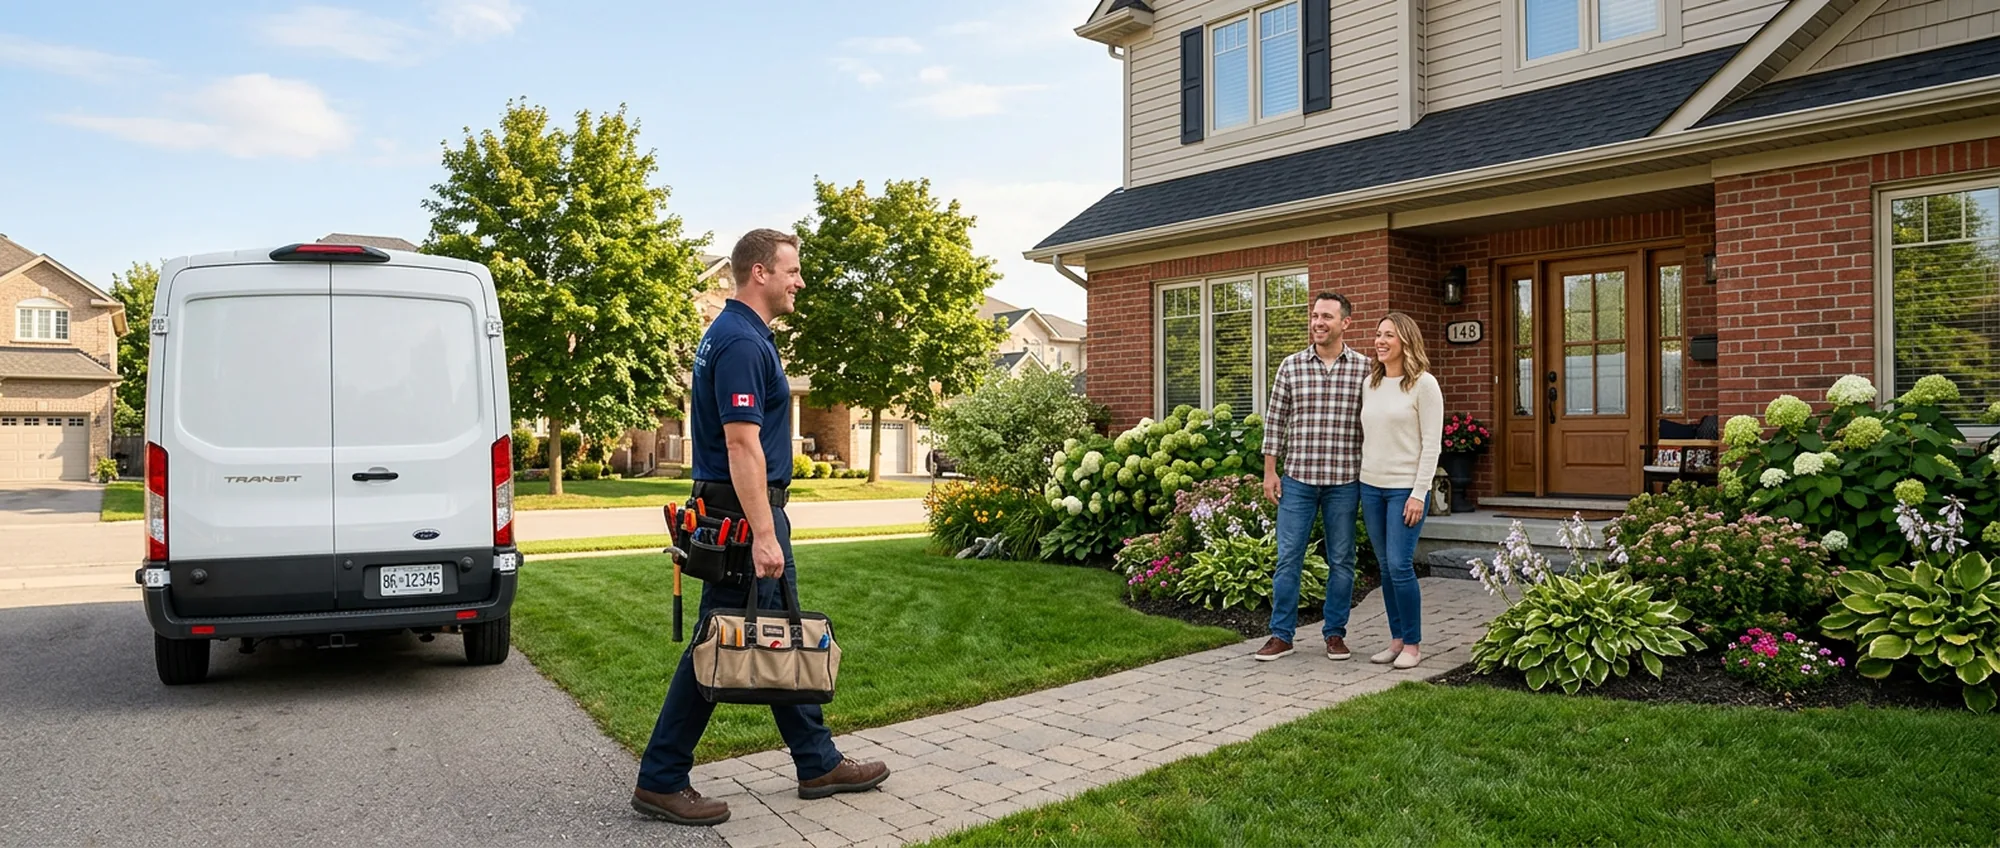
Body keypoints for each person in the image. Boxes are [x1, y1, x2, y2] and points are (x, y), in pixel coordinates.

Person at [631, 228, 889, 826]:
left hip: (746, 510)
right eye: (792, 270)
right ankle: (661, 777)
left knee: (778, 628)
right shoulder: (742, 343)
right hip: (746, 515)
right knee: (721, 638)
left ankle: (816, 760)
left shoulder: (742, 336)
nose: (800, 281)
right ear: (759, 274)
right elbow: (741, 445)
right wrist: (765, 532)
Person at [1257, 292, 1372, 662]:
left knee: (1342, 560)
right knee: (1288, 557)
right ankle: (1281, 635)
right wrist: (1270, 472)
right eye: (1314, 315)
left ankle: (1335, 634)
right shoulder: (1291, 367)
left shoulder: (1365, 369)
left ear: (1345, 323)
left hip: (1344, 481)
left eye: (1327, 316)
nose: (1318, 322)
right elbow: (1275, 423)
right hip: (1299, 480)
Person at [1359, 312, 1443, 670]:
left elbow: (1431, 444)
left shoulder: (1424, 385)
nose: (1380, 341)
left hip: (1404, 490)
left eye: (1388, 335)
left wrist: (1418, 492)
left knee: (1400, 564)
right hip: (1370, 486)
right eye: (1378, 334)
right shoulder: (1371, 384)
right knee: (1385, 567)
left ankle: (1413, 643)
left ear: (1405, 341)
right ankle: (1395, 640)